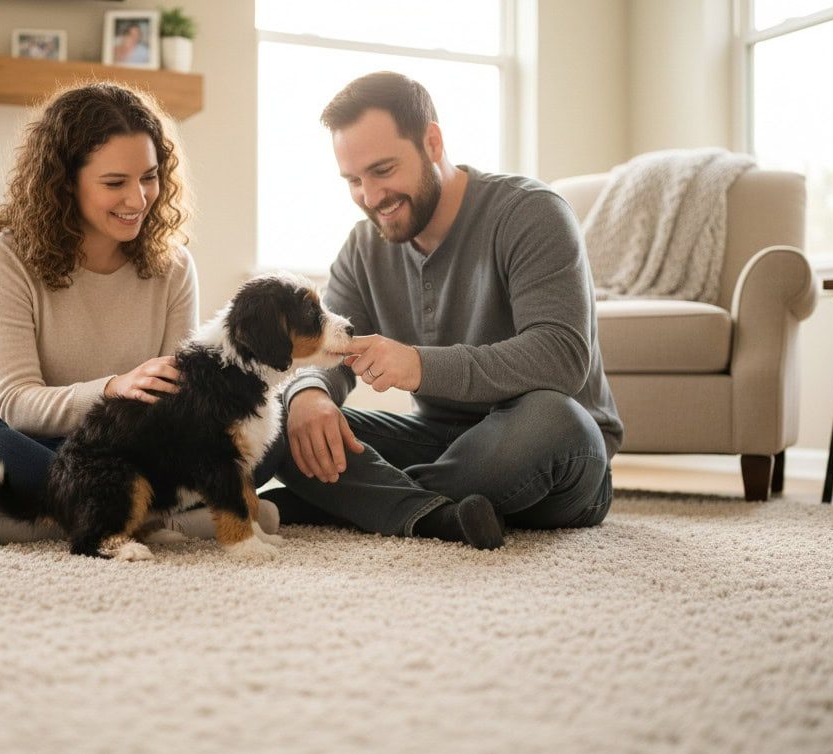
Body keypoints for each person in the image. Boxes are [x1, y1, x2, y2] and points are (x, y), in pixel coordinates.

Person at [264, 71, 623, 550]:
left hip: (549, 449)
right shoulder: (364, 247)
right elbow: (327, 348)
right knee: (285, 426)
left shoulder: (531, 212)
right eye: (353, 180)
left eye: (383, 170)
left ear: (432, 142)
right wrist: (308, 394)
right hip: (440, 442)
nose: (370, 198)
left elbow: (561, 356)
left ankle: (346, 502)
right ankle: (435, 512)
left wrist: (419, 364)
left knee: (551, 418)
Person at [0, 82, 276, 544]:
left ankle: (44, 523)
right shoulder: (3, 257)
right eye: (114, 183)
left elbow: (180, 412)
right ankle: (144, 518)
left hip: (129, 458)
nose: (138, 199)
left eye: (149, 176)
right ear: (65, 182)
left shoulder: (174, 265)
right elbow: (14, 402)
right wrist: (113, 388)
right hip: (25, 446)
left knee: (266, 430)